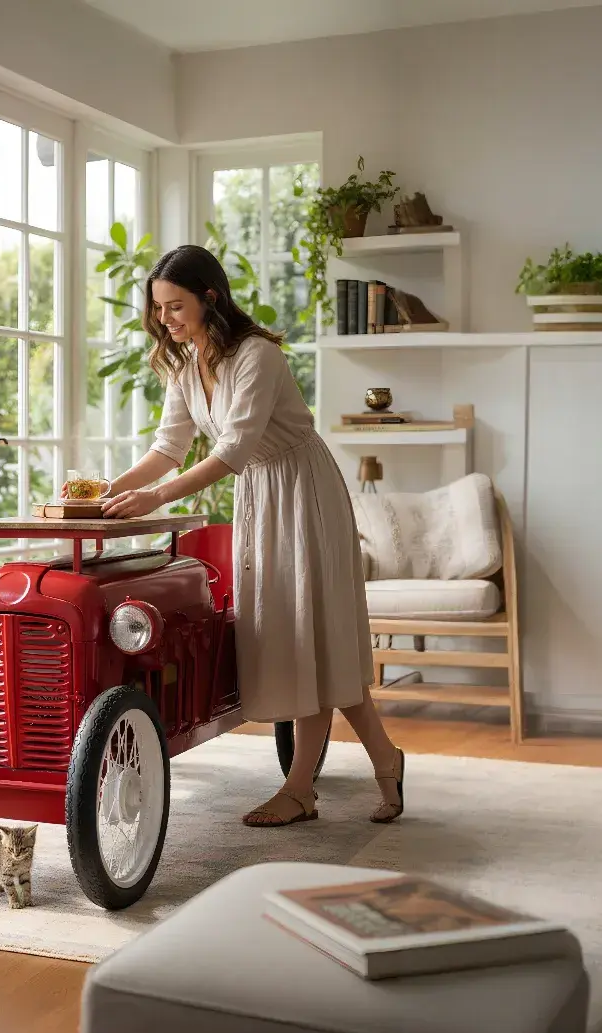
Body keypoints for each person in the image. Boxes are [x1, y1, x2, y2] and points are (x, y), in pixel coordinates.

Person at [99, 244, 405, 827]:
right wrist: (105, 496)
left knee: (310, 639)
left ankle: (300, 789)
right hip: (261, 499)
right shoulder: (186, 365)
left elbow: (232, 449)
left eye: (176, 306)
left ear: (210, 297)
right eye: (159, 309)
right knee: (300, 641)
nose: (167, 319)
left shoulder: (257, 355)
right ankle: (385, 762)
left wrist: (155, 497)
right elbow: (167, 448)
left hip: (303, 492)